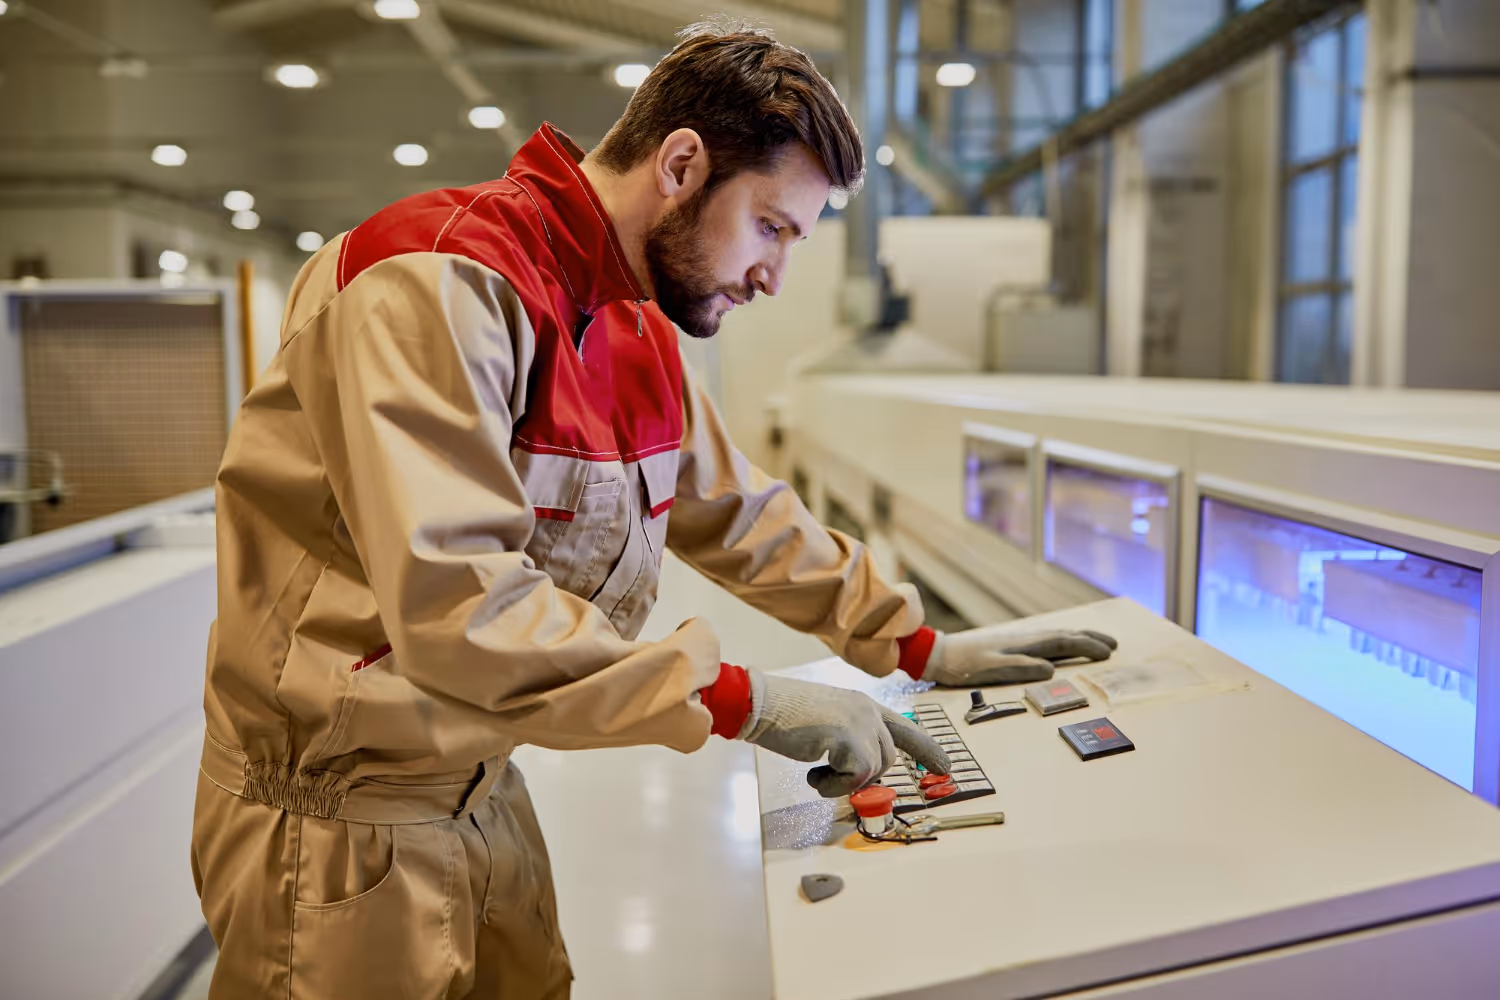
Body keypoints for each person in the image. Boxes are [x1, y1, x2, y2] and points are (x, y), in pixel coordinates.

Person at [190, 20, 1116, 1000]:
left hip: (478, 786)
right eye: (771, 225)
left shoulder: (630, 326)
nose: (775, 274)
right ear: (681, 165)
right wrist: (741, 700)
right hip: (335, 821)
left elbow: (743, 514)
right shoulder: (439, 281)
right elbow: (462, 608)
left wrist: (912, 641)